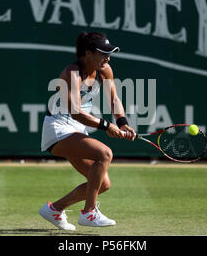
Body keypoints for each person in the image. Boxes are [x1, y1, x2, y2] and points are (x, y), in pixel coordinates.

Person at [38, 32, 136, 230]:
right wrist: (107, 126)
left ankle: (54, 209)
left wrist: (122, 122)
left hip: (77, 129)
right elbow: (76, 112)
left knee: (102, 183)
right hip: (57, 128)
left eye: (109, 54)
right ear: (88, 53)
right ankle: (89, 212)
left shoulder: (105, 69)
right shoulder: (71, 73)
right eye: (103, 53)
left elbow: (114, 100)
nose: (107, 58)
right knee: (105, 153)